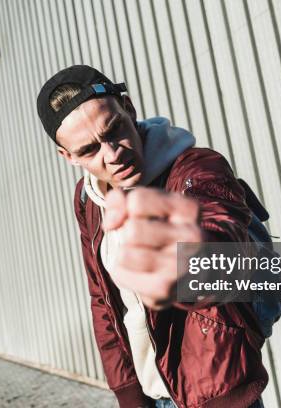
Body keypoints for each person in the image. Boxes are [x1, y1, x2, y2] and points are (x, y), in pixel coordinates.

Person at [37, 65, 267, 408]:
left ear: (129, 109)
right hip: (151, 395)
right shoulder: (88, 199)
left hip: (215, 392)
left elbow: (223, 245)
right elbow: (103, 300)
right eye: (89, 150)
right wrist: (128, 393)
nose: (112, 154)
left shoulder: (196, 169)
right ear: (67, 157)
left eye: (115, 130)